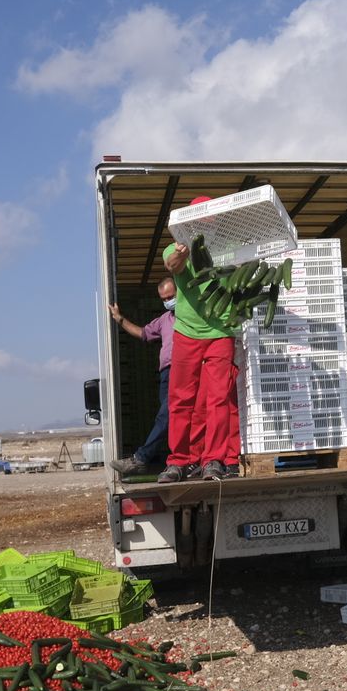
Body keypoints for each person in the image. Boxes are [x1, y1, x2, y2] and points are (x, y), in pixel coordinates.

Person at [159, 196, 241, 482]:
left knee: (218, 400)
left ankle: (213, 461)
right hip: (187, 332)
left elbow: (242, 276)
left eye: (211, 221)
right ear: (190, 223)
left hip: (221, 332)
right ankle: (178, 461)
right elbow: (173, 264)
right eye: (201, 222)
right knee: (181, 399)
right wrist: (182, 255)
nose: (207, 226)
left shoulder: (229, 250)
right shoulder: (175, 247)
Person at [107, 278, 177, 475]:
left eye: (171, 297)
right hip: (166, 374)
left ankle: (141, 458)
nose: (168, 301)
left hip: (181, 370)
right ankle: (181, 459)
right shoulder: (164, 320)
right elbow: (143, 333)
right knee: (169, 419)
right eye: (164, 299)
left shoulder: (190, 315)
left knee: (166, 415)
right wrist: (120, 319)